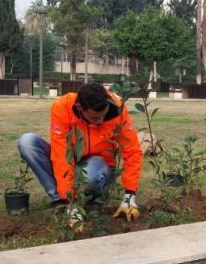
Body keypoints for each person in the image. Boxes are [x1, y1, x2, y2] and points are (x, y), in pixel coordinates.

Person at [18, 82, 143, 221]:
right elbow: (61, 156)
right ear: (79, 108)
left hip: (99, 166)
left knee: (91, 171)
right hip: (73, 159)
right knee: (27, 142)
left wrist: (129, 195)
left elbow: (132, 152)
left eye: (104, 115)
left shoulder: (117, 109)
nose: (101, 121)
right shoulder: (62, 107)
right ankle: (62, 201)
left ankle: (94, 201)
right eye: (95, 118)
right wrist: (69, 200)